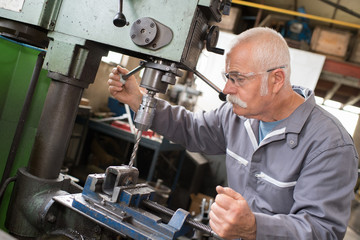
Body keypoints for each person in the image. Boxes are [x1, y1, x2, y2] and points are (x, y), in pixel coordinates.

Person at [107, 27, 358, 240]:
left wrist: (255, 227)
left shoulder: (329, 145)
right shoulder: (237, 115)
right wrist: (140, 101)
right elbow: (193, 130)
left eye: (237, 78)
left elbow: (322, 230)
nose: (227, 89)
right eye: (227, 77)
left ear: (276, 79)